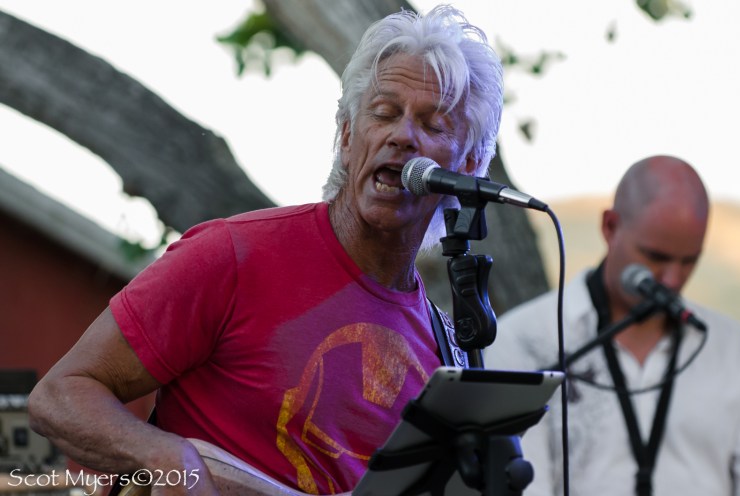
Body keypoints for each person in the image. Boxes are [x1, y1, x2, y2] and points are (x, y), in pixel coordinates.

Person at [27, 5, 503, 496]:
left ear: (468, 166)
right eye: (384, 113)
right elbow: (58, 396)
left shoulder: (448, 349)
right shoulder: (232, 255)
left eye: (434, 125)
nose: (402, 135)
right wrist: (165, 458)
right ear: (346, 136)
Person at [484, 155, 740, 495]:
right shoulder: (523, 340)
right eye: (656, 257)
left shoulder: (737, 351)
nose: (672, 280)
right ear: (610, 226)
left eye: (689, 261)